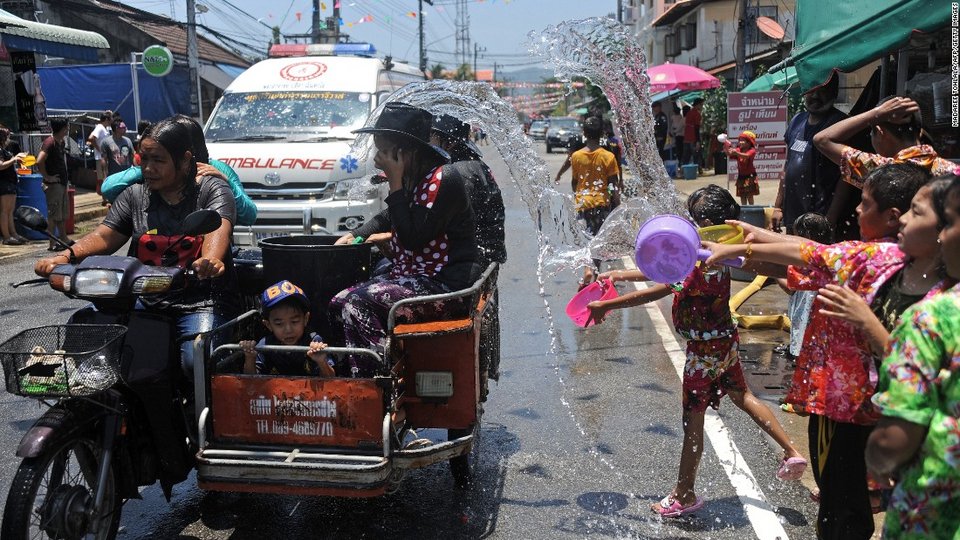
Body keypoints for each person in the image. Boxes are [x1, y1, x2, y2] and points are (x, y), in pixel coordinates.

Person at [705, 163, 945, 540]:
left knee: (846, 505)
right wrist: (745, 244)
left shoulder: (908, 279)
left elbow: (814, 255)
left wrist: (741, 246)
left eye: (865, 204)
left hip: (858, 410)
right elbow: (812, 254)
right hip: (867, 406)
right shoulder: (893, 262)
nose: (856, 210)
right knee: (850, 500)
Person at [585, 184, 807, 518]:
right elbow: (663, 269)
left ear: (704, 224)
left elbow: (659, 287)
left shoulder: (697, 263)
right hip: (726, 340)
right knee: (742, 395)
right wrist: (619, 273)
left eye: (693, 219)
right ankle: (791, 451)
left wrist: (608, 305)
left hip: (702, 354)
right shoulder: (720, 254)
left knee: (693, 420)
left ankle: (684, 493)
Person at [35, 116, 240, 377]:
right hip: (144, 299)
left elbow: (218, 226)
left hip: (199, 302)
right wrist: (65, 256)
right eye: (144, 159)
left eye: (158, 160)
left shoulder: (212, 189)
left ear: (185, 160)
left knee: (195, 361)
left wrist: (210, 259)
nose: (149, 168)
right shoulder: (135, 195)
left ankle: (200, 404)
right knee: (89, 342)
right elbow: (106, 235)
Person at [327, 103, 479, 376]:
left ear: (405, 152)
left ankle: (376, 383)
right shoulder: (415, 178)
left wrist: (395, 184)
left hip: (444, 286)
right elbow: (390, 215)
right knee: (338, 302)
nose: (377, 160)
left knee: (357, 303)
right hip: (415, 278)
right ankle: (348, 375)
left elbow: (412, 238)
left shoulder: (444, 179)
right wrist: (357, 234)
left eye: (383, 152)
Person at [866, 173, 960, 540]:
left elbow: (894, 439)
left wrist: (876, 459)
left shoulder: (933, 318)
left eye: (949, 223)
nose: (943, 236)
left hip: (933, 517)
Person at [100, 114, 257, 227]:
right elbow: (108, 189)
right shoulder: (153, 170)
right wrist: (153, 169)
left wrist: (227, 183)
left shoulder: (217, 169)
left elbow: (249, 216)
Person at [813, 96, 957, 189]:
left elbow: (822, 139)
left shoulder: (879, 170)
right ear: (920, 132)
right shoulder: (951, 172)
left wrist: (876, 113)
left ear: (879, 132)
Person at [772, 74, 848, 234]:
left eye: (822, 90)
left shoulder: (840, 124)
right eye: (811, 90)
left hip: (821, 220)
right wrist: (778, 207)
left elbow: (847, 176)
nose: (815, 96)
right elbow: (787, 166)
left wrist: (831, 217)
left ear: (834, 92)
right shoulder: (797, 120)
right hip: (794, 217)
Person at [555, 116, 620, 286]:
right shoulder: (608, 156)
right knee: (598, 240)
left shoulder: (576, 156)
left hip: (583, 203)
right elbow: (613, 184)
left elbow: (574, 182)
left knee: (586, 239)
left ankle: (587, 269)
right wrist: (617, 204)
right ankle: (595, 273)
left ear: (584, 133)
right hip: (601, 203)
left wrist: (578, 198)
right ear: (602, 134)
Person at [239, 280, 334, 377]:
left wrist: (322, 362)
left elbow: (332, 380)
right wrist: (250, 358)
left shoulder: (314, 342)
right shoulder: (265, 345)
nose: (288, 330)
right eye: (279, 324)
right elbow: (251, 381)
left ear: (306, 319)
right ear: (268, 325)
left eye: (294, 321)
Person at [779, 213, 834, 360]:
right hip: (821, 327)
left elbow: (790, 288)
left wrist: (774, 274)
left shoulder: (807, 263)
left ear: (806, 237)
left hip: (807, 325)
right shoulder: (828, 257)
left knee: (804, 345)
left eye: (796, 235)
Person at [36, 118, 71, 251]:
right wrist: (47, 177)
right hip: (53, 185)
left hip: (61, 183)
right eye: (66, 127)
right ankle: (52, 244)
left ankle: (64, 239)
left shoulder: (60, 142)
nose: (67, 130)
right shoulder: (49, 142)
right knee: (53, 215)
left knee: (61, 215)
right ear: (62, 129)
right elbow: (39, 160)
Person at [0, 126, 27, 245]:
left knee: (10, 211)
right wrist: (14, 159)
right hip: (4, 183)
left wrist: (18, 159)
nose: (8, 139)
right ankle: (6, 236)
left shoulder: (4, 150)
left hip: (10, 182)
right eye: (7, 136)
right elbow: (1, 165)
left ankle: (13, 234)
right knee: (4, 210)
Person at [727, 130, 759, 205]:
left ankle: (751, 209)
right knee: (742, 195)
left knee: (750, 195)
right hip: (741, 176)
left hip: (750, 176)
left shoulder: (752, 150)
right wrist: (727, 148)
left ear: (749, 142)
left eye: (743, 140)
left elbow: (746, 156)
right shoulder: (739, 150)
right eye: (740, 140)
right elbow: (729, 154)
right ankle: (744, 209)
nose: (740, 142)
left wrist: (736, 153)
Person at [86, 111, 112, 201]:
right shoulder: (100, 127)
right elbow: (91, 138)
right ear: (106, 119)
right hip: (101, 157)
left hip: (104, 157)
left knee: (105, 176)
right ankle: (105, 198)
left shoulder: (103, 128)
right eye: (110, 119)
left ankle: (106, 197)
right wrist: (99, 149)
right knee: (104, 177)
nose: (111, 121)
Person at [682, 98, 703, 173]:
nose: (702, 106)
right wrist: (698, 141)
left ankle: (684, 171)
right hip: (693, 137)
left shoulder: (689, 113)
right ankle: (698, 169)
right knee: (696, 154)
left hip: (686, 136)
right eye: (701, 104)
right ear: (698, 105)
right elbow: (696, 128)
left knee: (686, 156)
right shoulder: (696, 114)